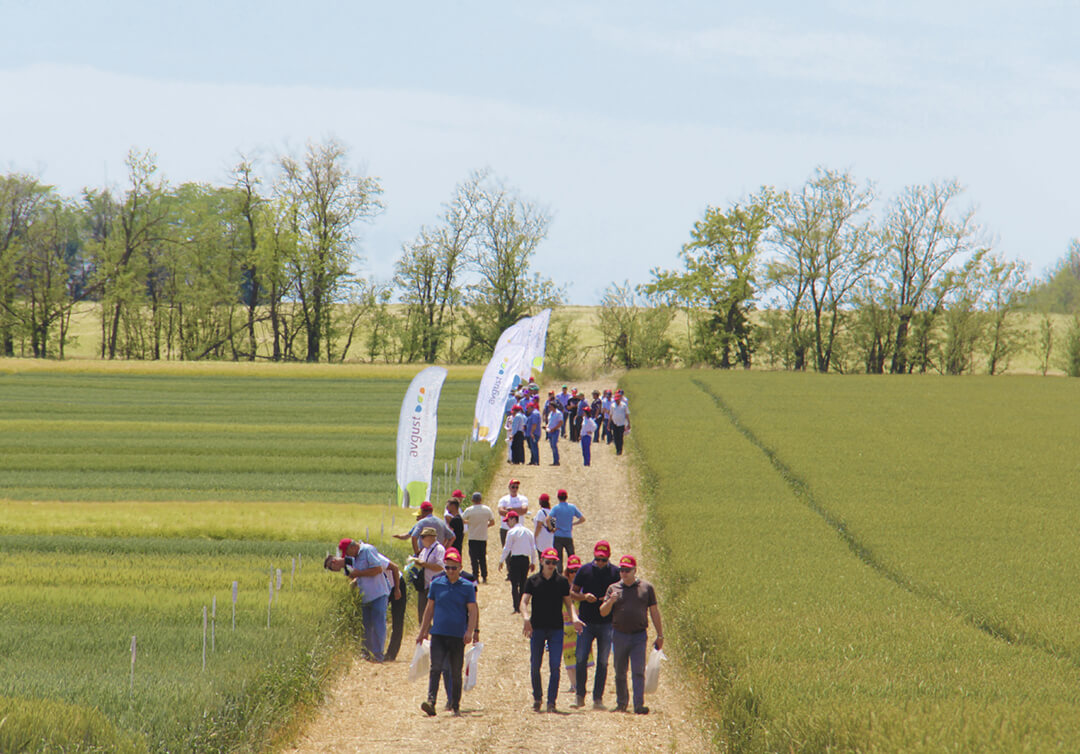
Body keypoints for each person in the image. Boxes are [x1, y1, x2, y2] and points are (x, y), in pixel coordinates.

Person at [599, 554, 663, 714]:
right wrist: (610, 601)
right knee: (620, 671)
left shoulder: (647, 588)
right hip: (619, 635)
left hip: (639, 636)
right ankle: (621, 703)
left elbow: (654, 612)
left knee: (638, 671)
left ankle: (638, 704)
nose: (624, 573)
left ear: (635, 570)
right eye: (621, 570)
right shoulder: (613, 589)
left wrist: (660, 634)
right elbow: (602, 612)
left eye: (627, 570)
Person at [418, 547, 479, 716]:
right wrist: (423, 631)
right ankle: (431, 701)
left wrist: (470, 631)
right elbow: (429, 609)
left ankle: (455, 704)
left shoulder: (467, 587)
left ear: (460, 567)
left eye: (454, 568)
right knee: (435, 668)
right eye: (447, 567)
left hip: (457, 636)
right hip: (438, 633)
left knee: (455, 671)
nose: (450, 571)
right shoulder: (436, 584)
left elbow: (472, 610)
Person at [523, 547, 583, 712]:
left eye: (554, 562)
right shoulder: (532, 580)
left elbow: (568, 603)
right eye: (548, 562)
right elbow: (524, 602)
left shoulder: (562, 582)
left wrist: (575, 618)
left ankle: (551, 702)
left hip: (556, 628)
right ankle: (537, 698)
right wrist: (526, 618)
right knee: (535, 665)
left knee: (555, 666)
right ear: (542, 561)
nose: (551, 565)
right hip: (537, 628)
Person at [324, 537, 402, 663]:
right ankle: (367, 654)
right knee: (367, 626)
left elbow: (377, 569)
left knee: (378, 624)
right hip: (365, 596)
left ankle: (378, 655)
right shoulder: (354, 557)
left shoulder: (368, 550)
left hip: (378, 593)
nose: (348, 556)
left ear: (353, 547)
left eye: (348, 552)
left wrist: (358, 574)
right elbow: (358, 575)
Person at [570, 540, 621, 709]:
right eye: (597, 559)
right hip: (586, 622)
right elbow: (572, 593)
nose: (599, 562)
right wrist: (584, 597)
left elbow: (622, 594)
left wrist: (611, 600)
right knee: (581, 658)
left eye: (603, 560)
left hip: (606, 624)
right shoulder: (584, 570)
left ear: (609, 558)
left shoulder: (615, 573)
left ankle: (597, 698)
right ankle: (579, 696)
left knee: (603, 662)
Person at [497, 510, 536, 613]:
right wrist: (533, 561)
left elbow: (507, 548)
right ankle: (522, 605)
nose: (507, 523)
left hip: (515, 560)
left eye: (508, 521)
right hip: (525, 560)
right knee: (523, 583)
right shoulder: (529, 532)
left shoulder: (511, 532)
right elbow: (533, 548)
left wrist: (501, 561)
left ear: (513, 519)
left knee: (514, 584)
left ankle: (516, 606)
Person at [412, 527, 445, 624]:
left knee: (436, 613)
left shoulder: (439, 549)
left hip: (435, 585)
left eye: (423, 536)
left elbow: (440, 566)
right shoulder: (424, 550)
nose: (421, 539)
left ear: (432, 537)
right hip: (423, 585)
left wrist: (424, 564)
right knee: (422, 614)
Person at [461, 491, 496, 583]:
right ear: (481, 499)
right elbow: (492, 522)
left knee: (474, 558)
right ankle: (484, 576)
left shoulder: (469, 510)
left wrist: (470, 523)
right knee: (482, 558)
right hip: (483, 537)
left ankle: (475, 576)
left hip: (472, 537)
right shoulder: (487, 509)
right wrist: (485, 525)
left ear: (472, 500)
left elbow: (461, 519)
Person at [550, 489, 585, 567]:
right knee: (572, 557)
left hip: (558, 535)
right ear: (566, 497)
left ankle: (559, 574)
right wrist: (573, 524)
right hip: (568, 535)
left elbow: (548, 518)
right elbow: (582, 519)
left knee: (558, 558)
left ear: (558, 497)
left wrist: (552, 528)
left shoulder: (556, 508)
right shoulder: (572, 507)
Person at [496, 479, 529, 547]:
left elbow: (524, 510)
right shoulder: (504, 499)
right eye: (513, 487)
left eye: (517, 487)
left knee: (518, 549)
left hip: (519, 529)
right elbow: (501, 511)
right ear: (509, 487)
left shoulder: (523, 499)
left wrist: (511, 510)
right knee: (506, 550)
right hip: (505, 528)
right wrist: (517, 512)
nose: (515, 489)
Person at [533, 493, 555, 559]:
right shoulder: (552, 512)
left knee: (542, 559)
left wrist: (535, 536)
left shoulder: (541, 512)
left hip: (542, 539)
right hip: (551, 538)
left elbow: (539, 526)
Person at [525, 401, 543, 465]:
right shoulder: (533, 413)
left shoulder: (535, 414)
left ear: (531, 407)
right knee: (532, 447)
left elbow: (534, 424)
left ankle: (536, 461)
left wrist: (532, 433)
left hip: (534, 433)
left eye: (528, 408)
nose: (527, 409)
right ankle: (533, 460)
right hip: (532, 433)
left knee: (534, 447)